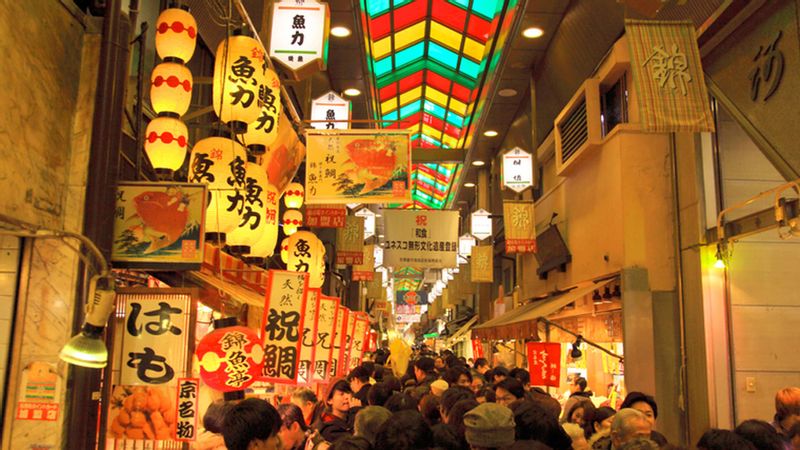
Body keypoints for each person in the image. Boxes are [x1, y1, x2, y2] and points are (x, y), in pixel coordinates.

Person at [313, 378, 355, 443]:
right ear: (330, 400)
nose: (347, 397)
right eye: (342, 394)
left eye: (348, 392)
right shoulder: (329, 429)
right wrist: (354, 411)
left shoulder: (350, 417)